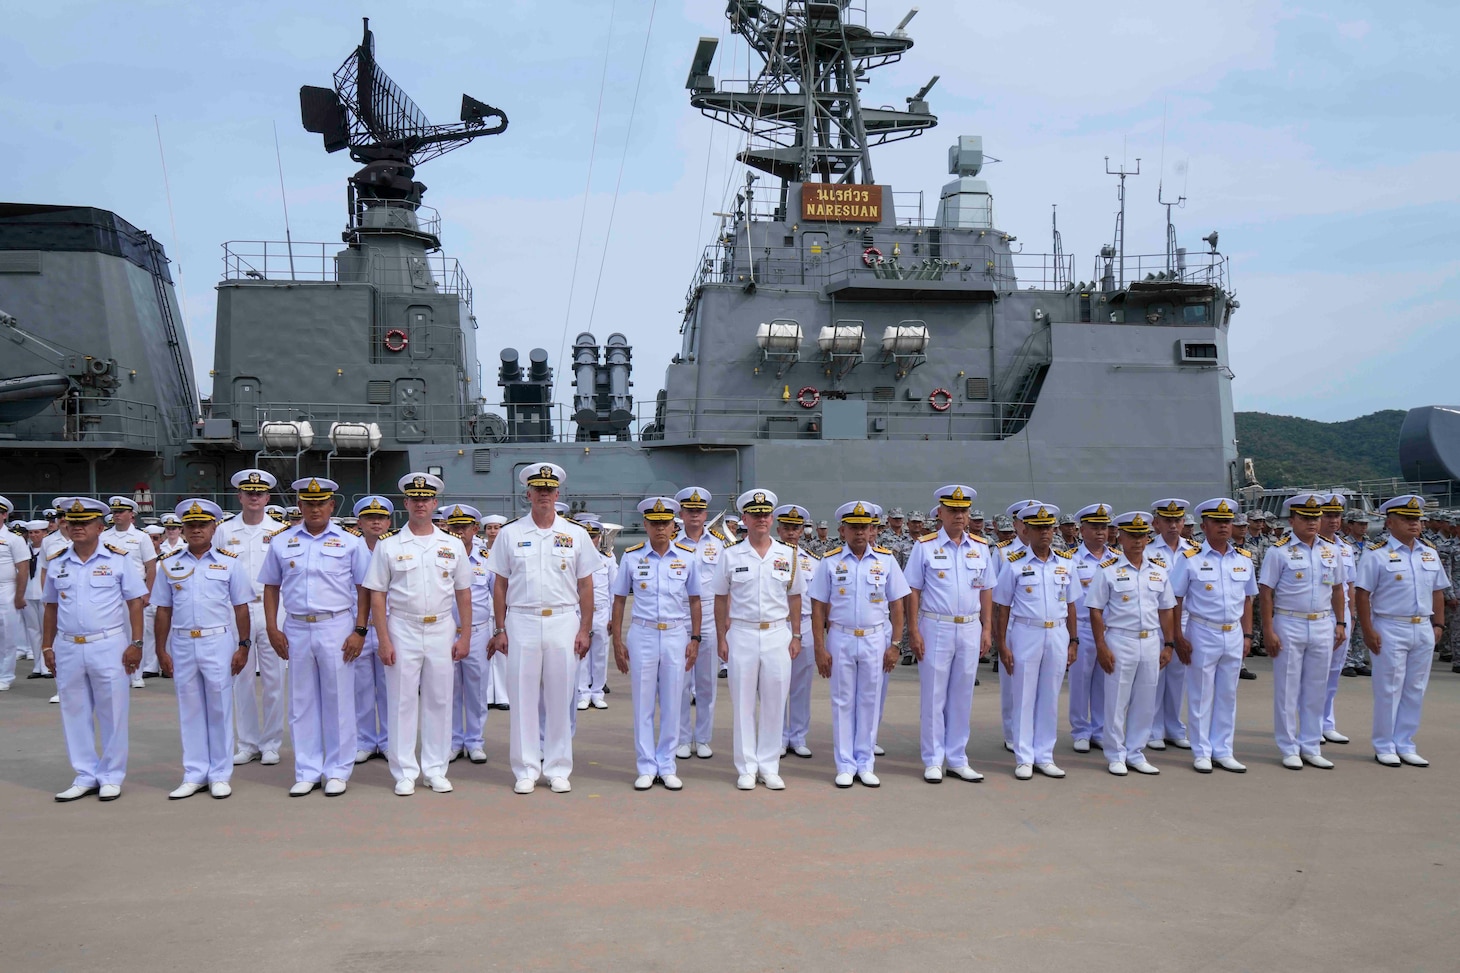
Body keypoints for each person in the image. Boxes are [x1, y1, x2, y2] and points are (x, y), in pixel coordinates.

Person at [486, 463, 597, 795]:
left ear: (558, 494)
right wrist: (500, 628)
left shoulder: (575, 534)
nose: (545, 495)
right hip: (521, 620)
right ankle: (525, 768)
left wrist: (585, 630)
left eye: (550, 489)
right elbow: (500, 586)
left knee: (561, 696)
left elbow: (586, 586)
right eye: (539, 490)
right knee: (522, 696)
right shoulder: (510, 533)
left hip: (564, 619)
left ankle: (559, 766)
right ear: (529, 494)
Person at [259, 477, 371, 797]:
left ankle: (337, 770)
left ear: (332, 506)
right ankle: (307, 769)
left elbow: (364, 587)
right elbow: (270, 586)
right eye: (309, 503)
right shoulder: (282, 541)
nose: (315, 508)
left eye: (321, 503)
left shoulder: (351, 542)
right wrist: (272, 627)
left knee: (338, 700)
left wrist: (360, 629)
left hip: (336, 625)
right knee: (301, 702)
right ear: (300, 506)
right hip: (295, 626)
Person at [364, 475, 473, 796]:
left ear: (435, 503)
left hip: (441, 627)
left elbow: (463, 593)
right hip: (402, 627)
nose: (421, 504)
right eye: (415, 499)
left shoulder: (451, 544)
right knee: (401, 701)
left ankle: (436, 769)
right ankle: (404, 772)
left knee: (440, 699)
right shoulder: (389, 545)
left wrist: (465, 635)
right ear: (406, 503)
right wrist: (383, 639)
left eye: (427, 499)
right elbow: (377, 596)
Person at [42, 498, 147, 802]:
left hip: (108, 643)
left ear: (100, 527)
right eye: (73, 523)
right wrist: (47, 646)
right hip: (68, 644)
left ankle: (112, 775)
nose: (77, 528)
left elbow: (135, 602)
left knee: (112, 710)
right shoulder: (59, 561)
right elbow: (50, 606)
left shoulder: (118, 559)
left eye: (84, 523)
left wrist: (136, 643)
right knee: (74, 711)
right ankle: (85, 774)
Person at [152, 499, 253, 800]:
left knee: (220, 707)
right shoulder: (169, 564)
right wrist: (161, 650)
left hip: (217, 640)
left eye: (202, 525)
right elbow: (163, 611)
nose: (196, 530)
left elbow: (241, 608)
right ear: (182, 529)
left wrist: (243, 645)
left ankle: (220, 774)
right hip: (182, 642)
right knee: (190, 708)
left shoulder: (230, 563)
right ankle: (194, 773)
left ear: (213, 528)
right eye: (191, 525)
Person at [709, 489, 807, 791]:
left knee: (775, 702)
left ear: (772, 518)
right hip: (742, 633)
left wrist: (796, 635)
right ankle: (746, 767)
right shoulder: (730, 555)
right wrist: (721, 637)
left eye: (766, 515)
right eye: (755, 515)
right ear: (745, 519)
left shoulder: (787, 554)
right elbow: (720, 598)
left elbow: (795, 597)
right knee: (743, 704)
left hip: (778, 633)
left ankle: (769, 766)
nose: (761, 519)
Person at [810, 500, 908, 787]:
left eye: (865, 527)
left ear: (873, 530)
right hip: (840, 636)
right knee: (842, 701)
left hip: (876, 638)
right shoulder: (829, 562)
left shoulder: (886, 560)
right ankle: (844, 764)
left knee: (869, 700)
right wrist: (819, 647)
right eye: (854, 528)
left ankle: (865, 762)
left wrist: (895, 644)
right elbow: (817, 606)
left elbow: (898, 603)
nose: (860, 533)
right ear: (842, 530)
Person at [611, 496, 702, 790]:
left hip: (676, 633)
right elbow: (619, 599)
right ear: (646, 525)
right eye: (654, 523)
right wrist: (616, 641)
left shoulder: (687, 556)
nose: (660, 528)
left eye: (665, 523)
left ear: (674, 525)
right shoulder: (632, 556)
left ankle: (667, 763)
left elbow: (696, 600)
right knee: (643, 703)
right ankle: (646, 765)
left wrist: (695, 638)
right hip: (644, 633)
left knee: (674, 701)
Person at [904, 485, 994, 781]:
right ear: (939, 513)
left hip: (970, 626)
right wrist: (913, 630)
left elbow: (986, 591)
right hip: (936, 625)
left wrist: (987, 629)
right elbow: (913, 590)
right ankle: (933, 759)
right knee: (934, 695)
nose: (959, 515)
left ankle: (957, 757)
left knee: (962, 694)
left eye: (963, 510)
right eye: (952, 510)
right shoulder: (925, 546)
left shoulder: (981, 547)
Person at [1355, 495, 1451, 767]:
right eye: (1407, 519)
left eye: (1417, 519)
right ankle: (1384, 745)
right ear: (1390, 522)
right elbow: (1363, 594)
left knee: (1415, 688)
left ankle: (1405, 742)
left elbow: (1438, 591)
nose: (1414, 524)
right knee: (1389, 688)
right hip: (1390, 625)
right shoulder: (1377, 553)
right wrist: (1368, 629)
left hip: (1422, 626)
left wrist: (1439, 624)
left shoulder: (1429, 552)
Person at [1258, 494, 1346, 771]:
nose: (1312, 522)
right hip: (1289, 622)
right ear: (1292, 520)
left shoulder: (1331, 550)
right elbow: (1266, 592)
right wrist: (1268, 630)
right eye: (1306, 518)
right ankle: (1288, 747)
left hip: (1322, 622)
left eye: (1315, 518)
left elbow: (1337, 589)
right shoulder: (1278, 551)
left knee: (1316, 688)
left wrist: (1341, 623)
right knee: (1287, 688)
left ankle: (1310, 745)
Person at [1169, 498, 1256, 774]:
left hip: (1232, 632)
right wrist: (1178, 637)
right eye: (1217, 522)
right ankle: (1202, 751)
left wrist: (1248, 635)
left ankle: (1224, 750)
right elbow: (1176, 600)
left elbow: (1248, 600)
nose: (1223, 527)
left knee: (1227, 695)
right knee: (1201, 694)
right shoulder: (1190, 559)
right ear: (1204, 526)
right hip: (1202, 631)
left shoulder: (1243, 559)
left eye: (1227, 522)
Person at [1085, 511, 1176, 775]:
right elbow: (1095, 610)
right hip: (1119, 639)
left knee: (1146, 699)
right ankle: (1115, 754)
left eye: (1142, 536)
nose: (1138, 541)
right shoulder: (1108, 570)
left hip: (1150, 640)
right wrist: (1101, 645)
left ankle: (1136, 752)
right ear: (1120, 537)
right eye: (1132, 536)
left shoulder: (1158, 571)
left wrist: (1168, 644)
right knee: (1116, 700)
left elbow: (1166, 609)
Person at [993, 503, 1077, 780]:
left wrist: (1073, 640)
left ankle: (1045, 755)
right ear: (1026, 531)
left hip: (1057, 632)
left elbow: (1072, 604)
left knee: (1050, 696)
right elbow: (1002, 607)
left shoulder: (1065, 562)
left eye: (1048, 528)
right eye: (1038, 529)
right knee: (1024, 695)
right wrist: (1002, 645)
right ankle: (1024, 757)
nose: (1045, 534)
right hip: (1025, 632)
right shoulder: (1014, 563)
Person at [213, 469, 289, 767]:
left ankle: (271, 742)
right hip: (237, 611)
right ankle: (247, 742)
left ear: (267, 497)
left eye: (259, 493)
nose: (254, 497)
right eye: (249, 493)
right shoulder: (224, 531)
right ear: (240, 496)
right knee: (240, 678)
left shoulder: (281, 531)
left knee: (274, 679)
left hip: (272, 609)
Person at [673, 487, 725, 759]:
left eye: (699, 511)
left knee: (706, 681)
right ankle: (682, 737)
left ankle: (703, 738)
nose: (695, 515)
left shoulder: (718, 544)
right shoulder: (671, 542)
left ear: (706, 514)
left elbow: (726, 585)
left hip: (708, 612)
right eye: (690, 511)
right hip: (679, 613)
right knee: (680, 681)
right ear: (681, 514)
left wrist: (724, 621)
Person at [1147, 499, 1197, 751]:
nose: (1173, 525)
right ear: (1156, 523)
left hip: (1186, 619)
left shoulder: (1194, 550)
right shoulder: (1146, 551)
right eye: (1167, 520)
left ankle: (1174, 727)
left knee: (1179, 677)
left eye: (1177, 520)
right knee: (1155, 677)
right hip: (1155, 621)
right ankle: (1153, 729)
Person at [1068, 503, 1114, 753]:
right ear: (1081, 530)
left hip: (1109, 630)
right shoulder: (1072, 560)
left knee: (1105, 681)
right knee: (1080, 682)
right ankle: (1080, 730)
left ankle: (1099, 729)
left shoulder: (1115, 559)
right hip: (1083, 628)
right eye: (1094, 527)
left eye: (1104, 527)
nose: (1100, 532)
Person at [350, 496, 394, 762]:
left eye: (380, 518)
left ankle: (389, 740)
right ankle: (365, 740)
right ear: (360, 522)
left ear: (389, 521)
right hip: (358, 627)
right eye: (369, 518)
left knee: (390, 686)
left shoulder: (394, 547)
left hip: (389, 625)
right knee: (361, 686)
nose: (375, 522)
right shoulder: (349, 548)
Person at [774, 503, 820, 758]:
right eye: (787, 528)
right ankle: (779, 736)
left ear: (802, 530)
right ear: (778, 529)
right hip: (779, 625)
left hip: (805, 624)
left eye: (796, 528)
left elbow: (819, 601)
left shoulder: (812, 562)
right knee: (776, 683)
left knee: (802, 686)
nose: (792, 532)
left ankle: (798, 736)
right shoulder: (771, 557)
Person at [101, 496, 158, 688]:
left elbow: (151, 567)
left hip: (135, 590)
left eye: (120, 512)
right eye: (114, 512)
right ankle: (116, 672)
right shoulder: (104, 537)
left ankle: (136, 674)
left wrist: (148, 593)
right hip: (111, 590)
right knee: (113, 633)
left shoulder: (141, 537)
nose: (116, 515)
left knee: (136, 632)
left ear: (131, 514)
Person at [1316, 494, 1357, 745]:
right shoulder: (1312, 546)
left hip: (1341, 615)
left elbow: (1349, 584)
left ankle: (1327, 722)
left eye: (1337, 515)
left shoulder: (1345, 548)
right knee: (1314, 672)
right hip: (1319, 614)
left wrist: (1348, 616)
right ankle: (1310, 723)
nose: (1333, 520)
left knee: (1333, 672)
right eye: (1328, 515)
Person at [575, 515, 616, 712]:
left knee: (600, 654)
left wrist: (613, 617)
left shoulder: (607, 559)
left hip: (601, 612)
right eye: (587, 536)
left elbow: (613, 589)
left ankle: (598, 692)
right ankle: (583, 692)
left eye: (594, 536)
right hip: (579, 612)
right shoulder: (574, 557)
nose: (591, 540)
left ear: (599, 537)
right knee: (581, 653)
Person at [478, 514, 511, 710]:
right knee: (485, 654)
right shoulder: (479, 553)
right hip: (483, 611)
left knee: (502, 654)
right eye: (489, 528)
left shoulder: (506, 550)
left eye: (497, 527)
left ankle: (503, 695)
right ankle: (488, 694)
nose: (493, 531)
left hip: (501, 609)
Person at [0, 496, 31, 692]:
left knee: (8, 634)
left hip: (6, 588)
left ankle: (5, 675)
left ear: (4, 515)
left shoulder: (13, 539)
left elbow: (23, 568)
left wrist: (19, 596)